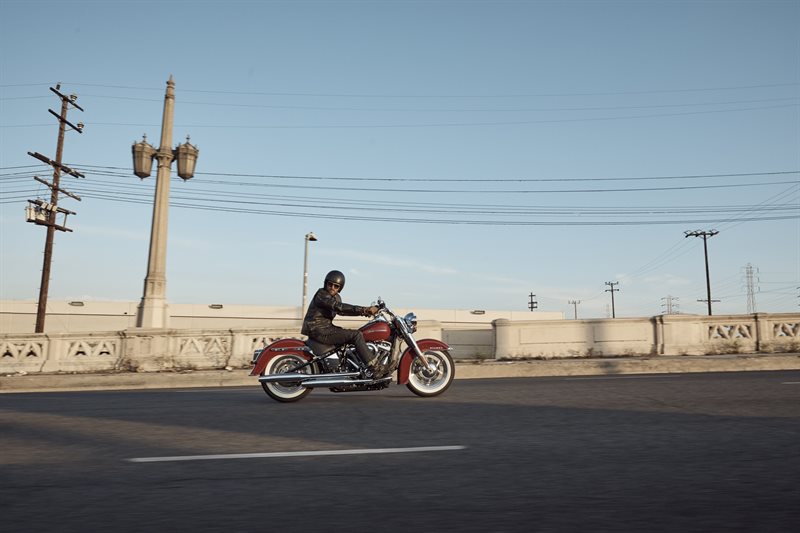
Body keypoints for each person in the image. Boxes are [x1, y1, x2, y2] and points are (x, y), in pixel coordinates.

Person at [301, 270, 380, 374]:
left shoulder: (336, 297)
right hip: (317, 329)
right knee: (356, 335)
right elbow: (338, 307)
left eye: (336, 286)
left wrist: (364, 313)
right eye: (330, 284)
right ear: (326, 283)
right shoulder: (322, 294)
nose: (332, 288)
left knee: (351, 335)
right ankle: (374, 367)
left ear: (340, 288)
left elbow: (342, 312)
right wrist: (365, 309)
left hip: (326, 328)